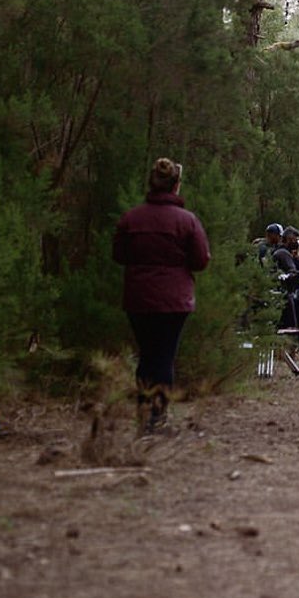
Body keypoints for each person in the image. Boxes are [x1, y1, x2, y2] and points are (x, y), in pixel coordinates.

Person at [112, 157, 210, 433]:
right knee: (164, 356)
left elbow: (118, 254)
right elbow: (201, 260)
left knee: (146, 355)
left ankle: (144, 413)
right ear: (176, 186)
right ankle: (157, 415)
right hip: (174, 300)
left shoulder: (131, 218)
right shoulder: (187, 221)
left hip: (138, 297)